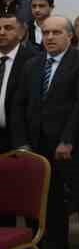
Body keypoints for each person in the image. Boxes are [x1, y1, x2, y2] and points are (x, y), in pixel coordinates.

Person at [16, 15, 79, 249]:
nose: (50, 37)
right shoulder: (32, 64)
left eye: (56, 32)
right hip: (38, 144)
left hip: (72, 145)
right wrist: (22, 143)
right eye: (46, 32)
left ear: (70, 36)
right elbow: (20, 104)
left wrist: (68, 140)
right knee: (50, 200)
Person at [0, 12, 36, 150]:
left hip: (19, 140)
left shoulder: (34, 61)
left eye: (8, 28)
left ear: (21, 33)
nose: (2, 32)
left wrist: (22, 141)